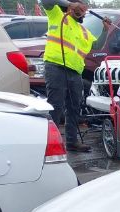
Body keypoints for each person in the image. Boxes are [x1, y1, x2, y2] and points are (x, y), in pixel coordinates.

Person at [41, 0, 110, 152]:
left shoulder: (84, 31)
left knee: (74, 108)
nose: (82, 10)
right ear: (71, 6)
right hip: (55, 67)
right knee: (55, 106)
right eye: (79, 6)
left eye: (84, 8)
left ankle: (71, 142)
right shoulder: (57, 15)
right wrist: (67, 3)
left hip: (75, 72)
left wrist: (105, 30)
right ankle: (49, 142)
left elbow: (97, 45)